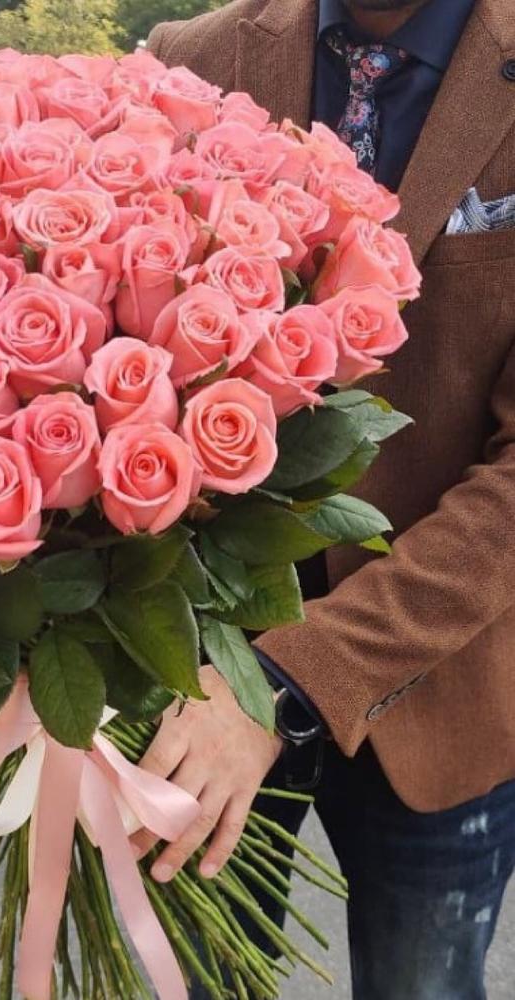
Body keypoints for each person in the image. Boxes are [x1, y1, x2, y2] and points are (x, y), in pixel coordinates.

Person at [139, 1, 515, 997]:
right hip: (198, 680)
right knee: (203, 977)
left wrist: (295, 678)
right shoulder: (192, 60)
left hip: (442, 681)